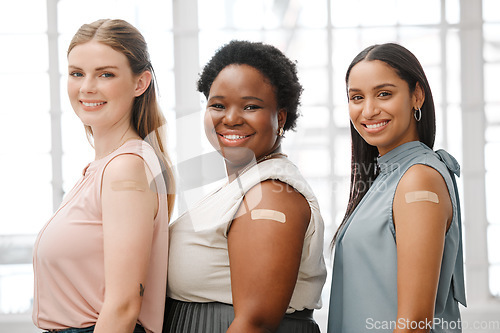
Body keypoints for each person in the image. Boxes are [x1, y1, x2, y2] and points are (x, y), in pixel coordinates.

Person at [164, 40, 327, 333]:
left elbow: (256, 323)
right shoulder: (241, 186)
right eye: (218, 105)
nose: (231, 118)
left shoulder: (271, 196)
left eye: (250, 106)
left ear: (280, 117)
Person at [32, 19, 175, 333]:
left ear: (140, 83)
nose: (86, 87)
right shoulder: (104, 168)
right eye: (77, 73)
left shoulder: (126, 168)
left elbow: (123, 306)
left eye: (105, 74)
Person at [327, 43, 466, 332]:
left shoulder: (418, 178)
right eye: (356, 97)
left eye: (384, 94)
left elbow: (415, 322)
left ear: (417, 95)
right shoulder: (386, 177)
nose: (368, 110)